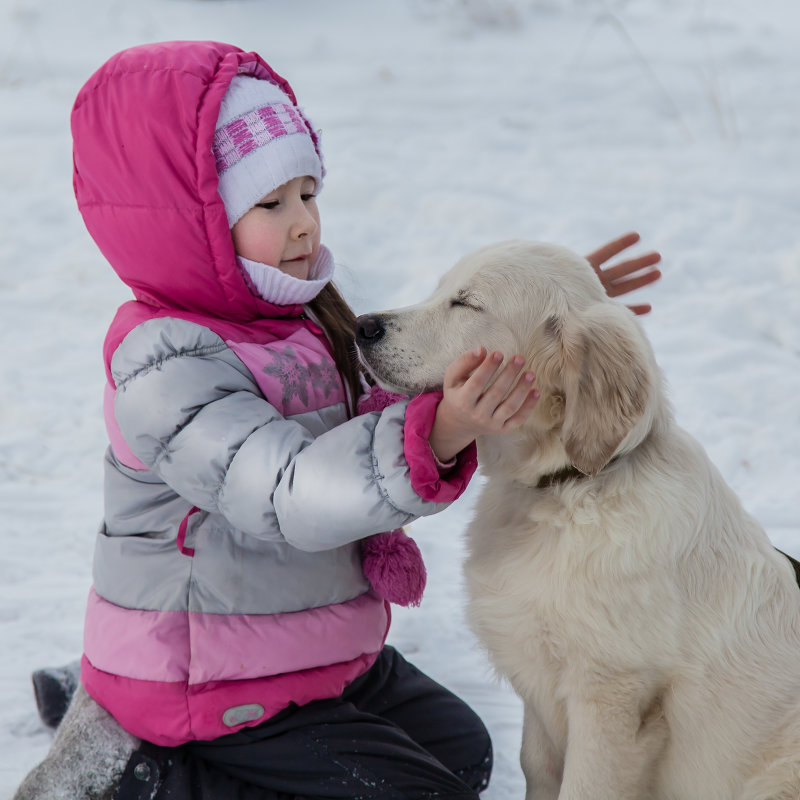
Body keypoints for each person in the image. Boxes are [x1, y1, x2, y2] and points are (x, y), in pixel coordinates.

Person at [20, 40, 661, 800]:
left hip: (303, 647)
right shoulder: (166, 363)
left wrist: (541, 311)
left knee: (462, 754)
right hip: (207, 678)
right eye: (269, 204)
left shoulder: (301, 307)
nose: (302, 225)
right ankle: (148, 767)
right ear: (189, 220)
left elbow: (398, 380)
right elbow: (287, 492)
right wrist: (443, 430)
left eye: (307, 194)